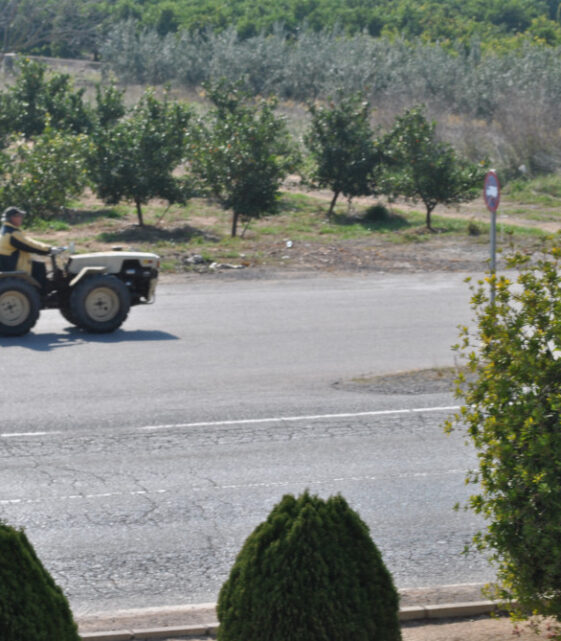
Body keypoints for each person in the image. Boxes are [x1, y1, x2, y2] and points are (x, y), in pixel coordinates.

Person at [0, 206, 52, 290]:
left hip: (6, 263)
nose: (21, 218)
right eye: (19, 216)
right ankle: (42, 293)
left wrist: (46, 247)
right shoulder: (13, 233)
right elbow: (29, 245)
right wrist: (48, 249)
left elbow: (27, 241)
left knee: (37, 264)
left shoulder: (6, 229)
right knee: (39, 267)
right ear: (12, 218)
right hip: (13, 265)